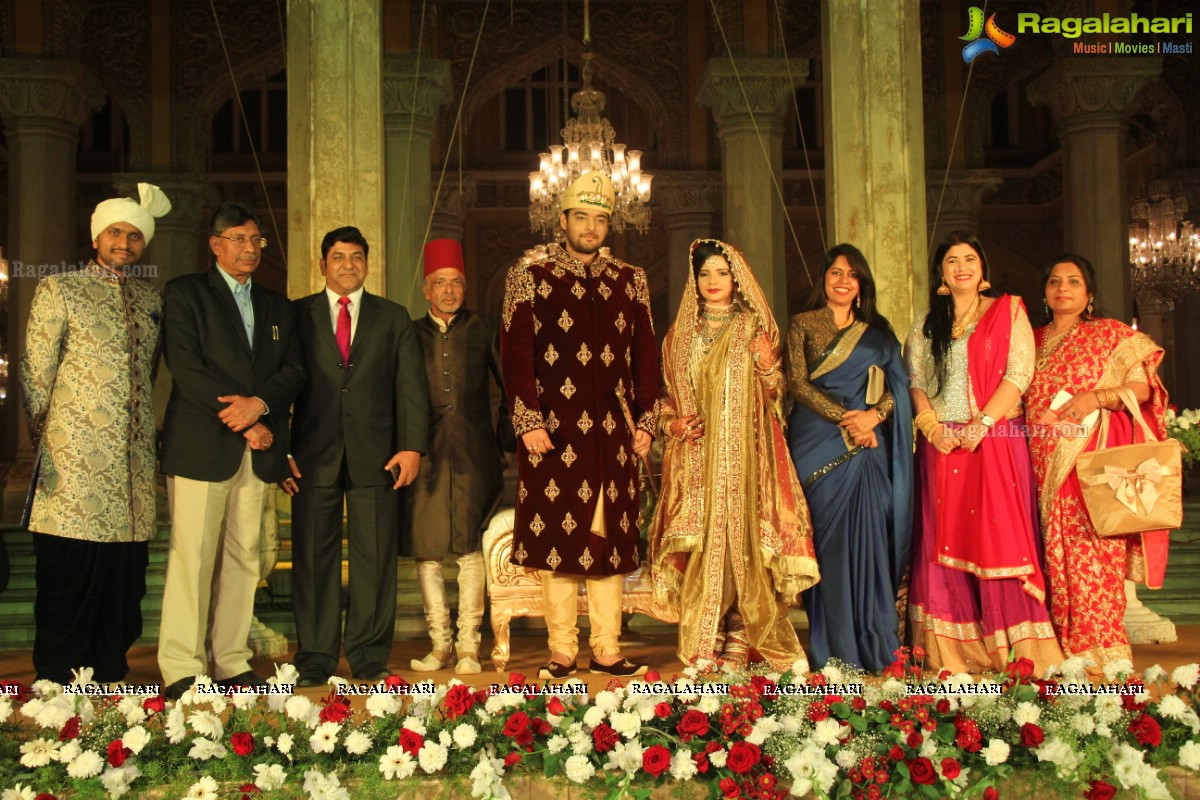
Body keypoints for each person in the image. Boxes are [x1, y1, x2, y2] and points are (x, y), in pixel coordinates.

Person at [500, 171, 660, 679]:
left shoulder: (629, 278)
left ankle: (608, 649)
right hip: (552, 431)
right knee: (558, 541)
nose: (591, 228)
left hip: (612, 433)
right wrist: (527, 420)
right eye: (582, 217)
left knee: (609, 540)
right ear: (562, 219)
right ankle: (562, 651)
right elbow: (516, 354)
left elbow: (646, 357)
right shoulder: (531, 274)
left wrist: (647, 421)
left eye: (600, 219)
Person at [20, 183, 171, 683]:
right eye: (115, 232)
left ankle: (108, 677)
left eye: (134, 235)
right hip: (75, 468)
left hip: (129, 473)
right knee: (68, 576)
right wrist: (47, 445)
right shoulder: (60, 288)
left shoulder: (151, 299)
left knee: (122, 583)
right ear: (96, 237)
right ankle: (57, 684)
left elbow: (147, 375)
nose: (124, 243)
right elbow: (35, 370)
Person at [648, 239, 819, 670]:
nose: (712, 281)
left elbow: (776, 395)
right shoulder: (679, 337)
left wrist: (766, 367)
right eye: (704, 273)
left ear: (736, 279)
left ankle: (742, 628)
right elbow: (665, 400)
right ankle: (711, 631)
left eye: (721, 273)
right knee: (706, 543)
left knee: (743, 542)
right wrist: (675, 425)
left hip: (745, 456)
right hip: (698, 461)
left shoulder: (751, 329)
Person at [158, 201, 305, 699]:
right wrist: (245, 421)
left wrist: (260, 408)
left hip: (256, 449)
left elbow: (293, 372)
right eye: (239, 239)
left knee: (245, 556)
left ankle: (231, 660)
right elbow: (187, 366)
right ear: (215, 244)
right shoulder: (186, 294)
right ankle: (182, 666)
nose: (249, 248)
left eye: (256, 240)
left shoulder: (276, 305)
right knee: (193, 557)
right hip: (203, 444)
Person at [904, 230, 1063, 675]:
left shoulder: (1007, 312)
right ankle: (951, 653)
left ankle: (1014, 654)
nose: (961, 267)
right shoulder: (925, 324)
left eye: (969, 259)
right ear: (941, 273)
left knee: (997, 539)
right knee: (942, 541)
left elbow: (1019, 372)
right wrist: (932, 427)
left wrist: (983, 425)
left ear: (983, 270)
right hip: (941, 445)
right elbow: (916, 380)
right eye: (952, 260)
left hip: (992, 441)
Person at [282, 226, 428, 686]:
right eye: (339, 257)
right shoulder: (296, 316)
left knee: (375, 559)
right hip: (310, 455)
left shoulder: (393, 317)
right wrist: (281, 451)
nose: (348, 265)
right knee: (311, 560)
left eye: (357, 256)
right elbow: (279, 383)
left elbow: (410, 387)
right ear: (322, 264)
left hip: (378, 456)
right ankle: (315, 657)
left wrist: (411, 446)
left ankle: (368, 656)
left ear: (368, 263)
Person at [1026, 254, 1168, 671]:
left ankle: (1102, 652)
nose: (1062, 288)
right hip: (1034, 464)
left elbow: (1143, 389)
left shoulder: (1109, 334)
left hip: (1087, 464)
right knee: (1047, 557)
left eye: (1073, 281)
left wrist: (1096, 397)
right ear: (1045, 292)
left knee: (1092, 556)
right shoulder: (1029, 340)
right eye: (1054, 281)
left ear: (1090, 294)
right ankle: (1056, 653)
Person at [786, 243, 913, 672]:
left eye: (852, 274)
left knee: (869, 540)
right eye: (835, 272)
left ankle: (873, 639)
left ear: (861, 285)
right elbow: (798, 386)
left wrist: (873, 417)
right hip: (816, 441)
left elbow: (899, 388)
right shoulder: (802, 324)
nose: (842, 280)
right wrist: (849, 419)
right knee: (826, 547)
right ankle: (831, 646)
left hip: (867, 447)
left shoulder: (879, 333)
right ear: (823, 278)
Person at [405, 238, 515, 675]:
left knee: (471, 551)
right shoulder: (408, 334)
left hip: (475, 454)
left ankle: (469, 646)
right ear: (426, 290)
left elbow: (512, 389)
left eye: (456, 283)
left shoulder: (486, 329)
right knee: (427, 554)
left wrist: (506, 443)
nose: (449, 291)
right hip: (425, 456)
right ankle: (440, 646)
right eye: (440, 284)